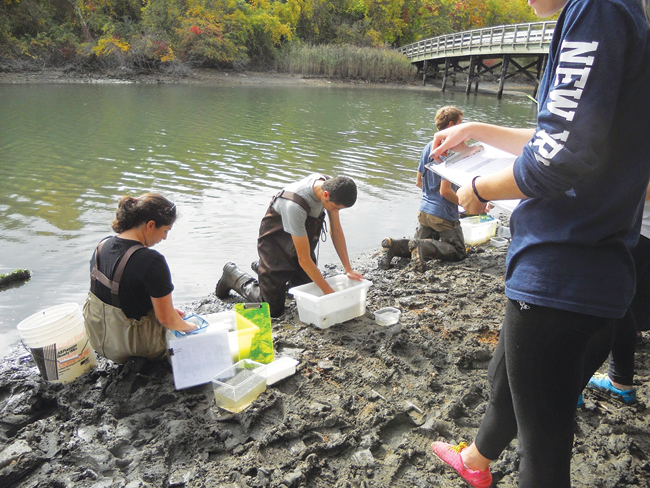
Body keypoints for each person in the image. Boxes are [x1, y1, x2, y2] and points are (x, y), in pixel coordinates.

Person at [428, 0, 650, 487]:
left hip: (562, 268)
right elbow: (567, 135)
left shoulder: (596, 10)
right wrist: (476, 130)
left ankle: (478, 463)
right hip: (601, 271)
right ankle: (476, 461)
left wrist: (479, 188)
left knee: (544, 451)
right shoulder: (622, 15)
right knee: (510, 379)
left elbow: (553, 160)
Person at [215, 174, 364, 318]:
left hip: (301, 243)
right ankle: (233, 275)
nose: (336, 212)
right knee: (273, 309)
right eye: (336, 208)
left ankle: (264, 271)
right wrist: (329, 294)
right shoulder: (295, 205)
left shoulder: (332, 187)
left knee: (306, 290)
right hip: (275, 246)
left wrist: (348, 269)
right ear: (326, 194)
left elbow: (336, 230)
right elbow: (304, 259)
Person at [83, 194, 196, 364]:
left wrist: (165, 308)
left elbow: (123, 294)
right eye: (165, 230)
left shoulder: (102, 246)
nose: (164, 237)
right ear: (150, 225)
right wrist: (190, 327)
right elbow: (166, 319)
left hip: (99, 341)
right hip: (135, 348)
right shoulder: (151, 261)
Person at [378, 106, 471, 271]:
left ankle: (393, 246)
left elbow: (418, 182)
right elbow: (445, 191)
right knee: (458, 251)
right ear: (451, 125)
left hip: (424, 211)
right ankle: (421, 247)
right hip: (443, 215)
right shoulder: (450, 151)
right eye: (460, 124)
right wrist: (464, 204)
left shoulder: (428, 147)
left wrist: (431, 195)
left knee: (413, 246)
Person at [583, 184, 650, 405]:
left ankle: (573, 389)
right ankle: (620, 381)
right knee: (622, 304)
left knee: (602, 304)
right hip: (638, 228)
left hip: (637, 231)